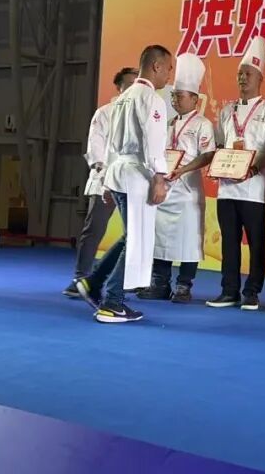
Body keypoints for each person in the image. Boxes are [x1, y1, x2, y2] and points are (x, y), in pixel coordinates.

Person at [74, 45, 172, 323]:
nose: (169, 75)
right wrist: (159, 177)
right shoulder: (151, 99)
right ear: (156, 66)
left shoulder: (121, 99)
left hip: (117, 172)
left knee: (132, 236)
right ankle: (112, 302)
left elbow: (110, 147)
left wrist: (106, 181)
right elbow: (153, 142)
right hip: (137, 175)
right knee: (138, 240)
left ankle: (94, 282)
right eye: (168, 68)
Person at [209, 36, 265, 310]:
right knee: (229, 241)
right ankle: (229, 291)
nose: (242, 78)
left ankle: (252, 292)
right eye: (240, 73)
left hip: (253, 189)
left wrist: (252, 169)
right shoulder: (226, 111)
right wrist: (219, 165)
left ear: (260, 78)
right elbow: (219, 145)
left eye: (248, 74)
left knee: (256, 242)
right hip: (227, 188)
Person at [138, 54, 216, 304]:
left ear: (194, 98)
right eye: (173, 96)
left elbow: (208, 155)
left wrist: (183, 170)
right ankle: (159, 283)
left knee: (189, 240)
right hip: (166, 190)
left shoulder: (203, 124)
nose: (175, 100)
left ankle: (183, 286)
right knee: (160, 238)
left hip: (187, 192)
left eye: (179, 96)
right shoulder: (168, 122)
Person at [63, 67, 137, 298]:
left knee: (134, 233)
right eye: (129, 84)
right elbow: (95, 144)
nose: (134, 88)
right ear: (119, 87)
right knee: (94, 229)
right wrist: (101, 169)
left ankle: (129, 279)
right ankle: (81, 278)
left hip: (132, 181)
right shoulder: (104, 113)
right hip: (105, 179)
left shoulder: (141, 113)